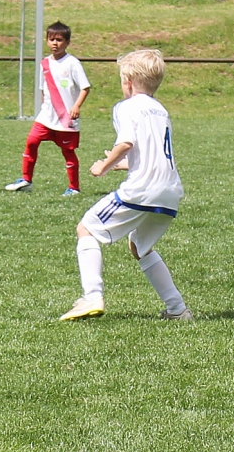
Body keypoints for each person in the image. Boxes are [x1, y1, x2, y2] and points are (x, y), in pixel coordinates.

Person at [61, 49, 192, 322]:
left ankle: (92, 296)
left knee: (86, 228)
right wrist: (122, 165)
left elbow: (126, 143)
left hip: (142, 189)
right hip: (169, 191)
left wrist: (104, 165)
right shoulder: (160, 110)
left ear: (128, 82)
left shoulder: (126, 107)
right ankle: (178, 310)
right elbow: (152, 153)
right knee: (139, 246)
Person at [4, 21, 90, 196]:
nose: (55, 43)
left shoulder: (72, 63)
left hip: (66, 118)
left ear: (67, 42)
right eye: (51, 39)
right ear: (46, 41)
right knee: (31, 142)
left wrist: (76, 106)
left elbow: (85, 87)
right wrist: (44, 107)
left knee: (68, 152)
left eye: (59, 40)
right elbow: (43, 89)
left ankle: (74, 187)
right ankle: (26, 180)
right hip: (46, 116)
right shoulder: (44, 63)